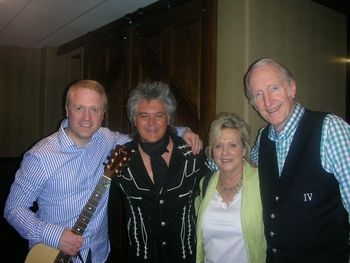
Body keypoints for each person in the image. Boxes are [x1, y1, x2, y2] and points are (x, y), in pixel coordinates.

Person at [3, 79, 203, 263]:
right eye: (79, 108)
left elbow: (146, 133)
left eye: (94, 109)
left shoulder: (105, 139)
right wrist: (56, 235)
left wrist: (182, 131)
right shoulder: (41, 156)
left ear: (103, 114)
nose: (87, 118)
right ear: (67, 110)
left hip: (99, 254)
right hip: (53, 253)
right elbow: (13, 209)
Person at [244, 57, 350, 263]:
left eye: (274, 88)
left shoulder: (330, 129)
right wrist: (184, 135)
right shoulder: (263, 139)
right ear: (254, 104)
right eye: (258, 94)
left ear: (292, 88)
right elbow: (242, 162)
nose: (268, 101)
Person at [108, 81, 212, 263]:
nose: (151, 123)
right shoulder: (120, 160)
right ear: (134, 119)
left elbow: (214, 192)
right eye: (143, 116)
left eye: (159, 115)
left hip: (186, 257)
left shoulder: (192, 155)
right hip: (141, 258)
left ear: (168, 118)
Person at [195, 112, 266, 263]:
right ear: (212, 151)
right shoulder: (205, 184)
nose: (225, 152)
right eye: (218, 145)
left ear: (244, 150)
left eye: (232, 145)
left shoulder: (262, 183)